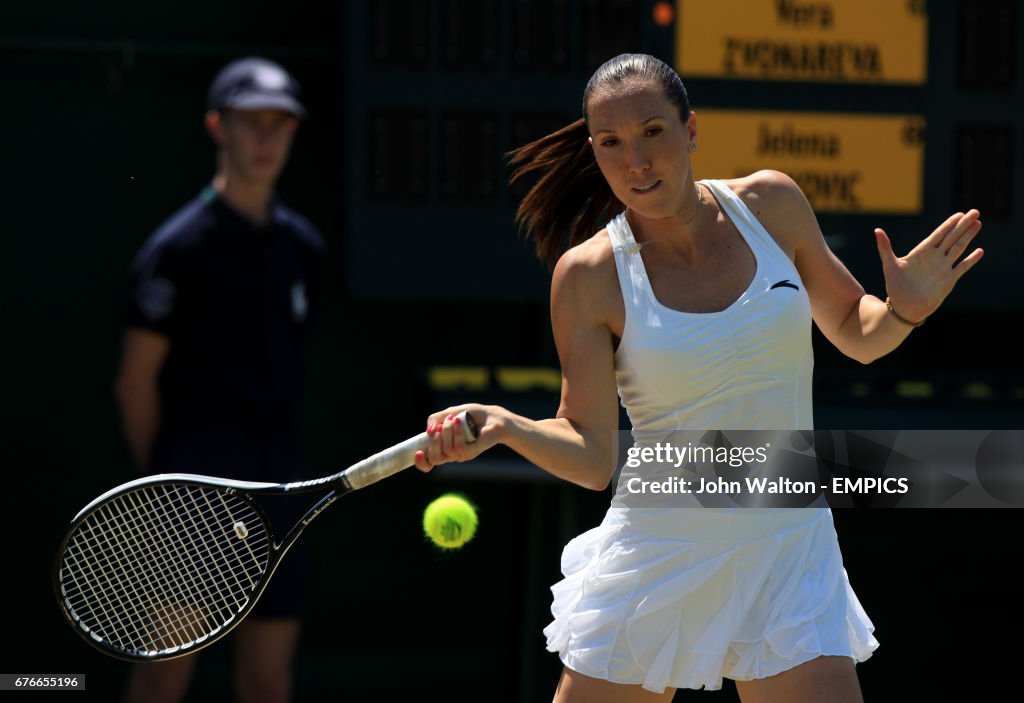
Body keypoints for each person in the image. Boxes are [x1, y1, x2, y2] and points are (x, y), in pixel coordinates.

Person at [414, 53, 983, 702]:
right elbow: (593, 454)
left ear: (690, 130)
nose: (636, 161)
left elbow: (858, 328)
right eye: (611, 144)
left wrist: (903, 309)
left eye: (652, 132)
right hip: (660, 552)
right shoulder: (587, 275)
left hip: (787, 551)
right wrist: (507, 425)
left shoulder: (772, 203)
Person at [115, 56, 325, 703]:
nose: (266, 138)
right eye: (251, 122)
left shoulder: (303, 247)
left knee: (266, 680)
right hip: (193, 490)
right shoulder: (178, 248)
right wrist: (171, 481)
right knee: (164, 673)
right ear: (218, 127)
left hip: (281, 486)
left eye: (279, 124)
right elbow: (134, 383)